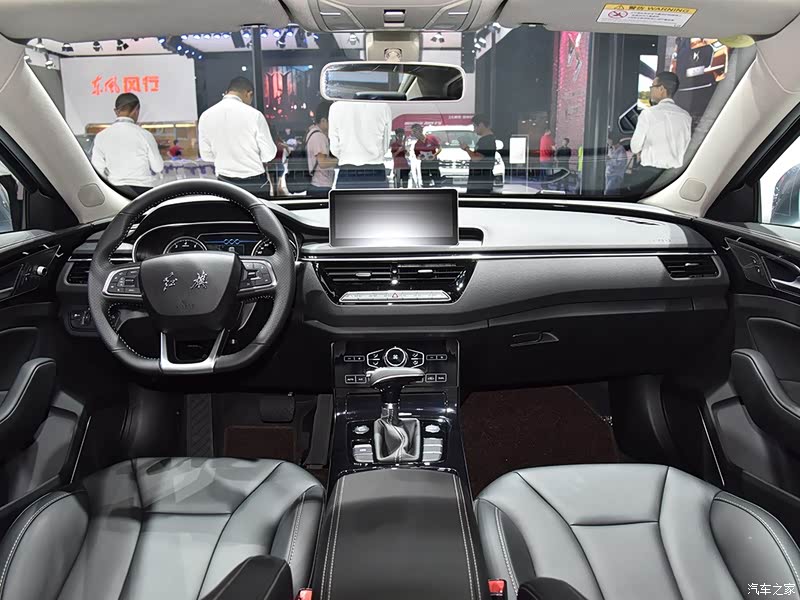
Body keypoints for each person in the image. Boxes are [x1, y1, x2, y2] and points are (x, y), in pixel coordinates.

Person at [198, 77, 277, 190]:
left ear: (227, 92)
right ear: (249, 93)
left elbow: (206, 156)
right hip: (254, 182)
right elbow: (269, 154)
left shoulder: (206, 116)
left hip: (224, 182)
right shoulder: (255, 115)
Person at [629, 71, 692, 191]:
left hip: (648, 175)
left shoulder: (648, 114)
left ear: (662, 89)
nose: (651, 90)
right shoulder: (686, 117)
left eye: (652, 86)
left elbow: (635, 147)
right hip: (675, 176)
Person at [90, 93, 164, 195]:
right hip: (143, 192)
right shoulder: (145, 135)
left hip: (116, 191)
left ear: (115, 111)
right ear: (136, 110)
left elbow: (97, 169)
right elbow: (158, 167)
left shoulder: (101, 136)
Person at [328, 101, 392, 189]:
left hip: (348, 172)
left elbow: (334, 148)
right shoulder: (383, 106)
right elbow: (385, 145)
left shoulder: (336, 107)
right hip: (376, 172)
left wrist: (347, 156)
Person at [305, 101, 338, 195]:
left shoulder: (313, 132)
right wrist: (341, 160)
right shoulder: (319, 136)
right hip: (320, 186)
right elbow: (323, 163)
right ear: (323, 120)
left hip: (317, 185)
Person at [461, 114, 497, 194]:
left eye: (474, 126)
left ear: (481, 125)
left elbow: (476, 158)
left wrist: (467, 149)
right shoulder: (486, 140)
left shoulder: (486, 141)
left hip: (481, 180)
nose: (474, 129)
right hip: (480, 180)